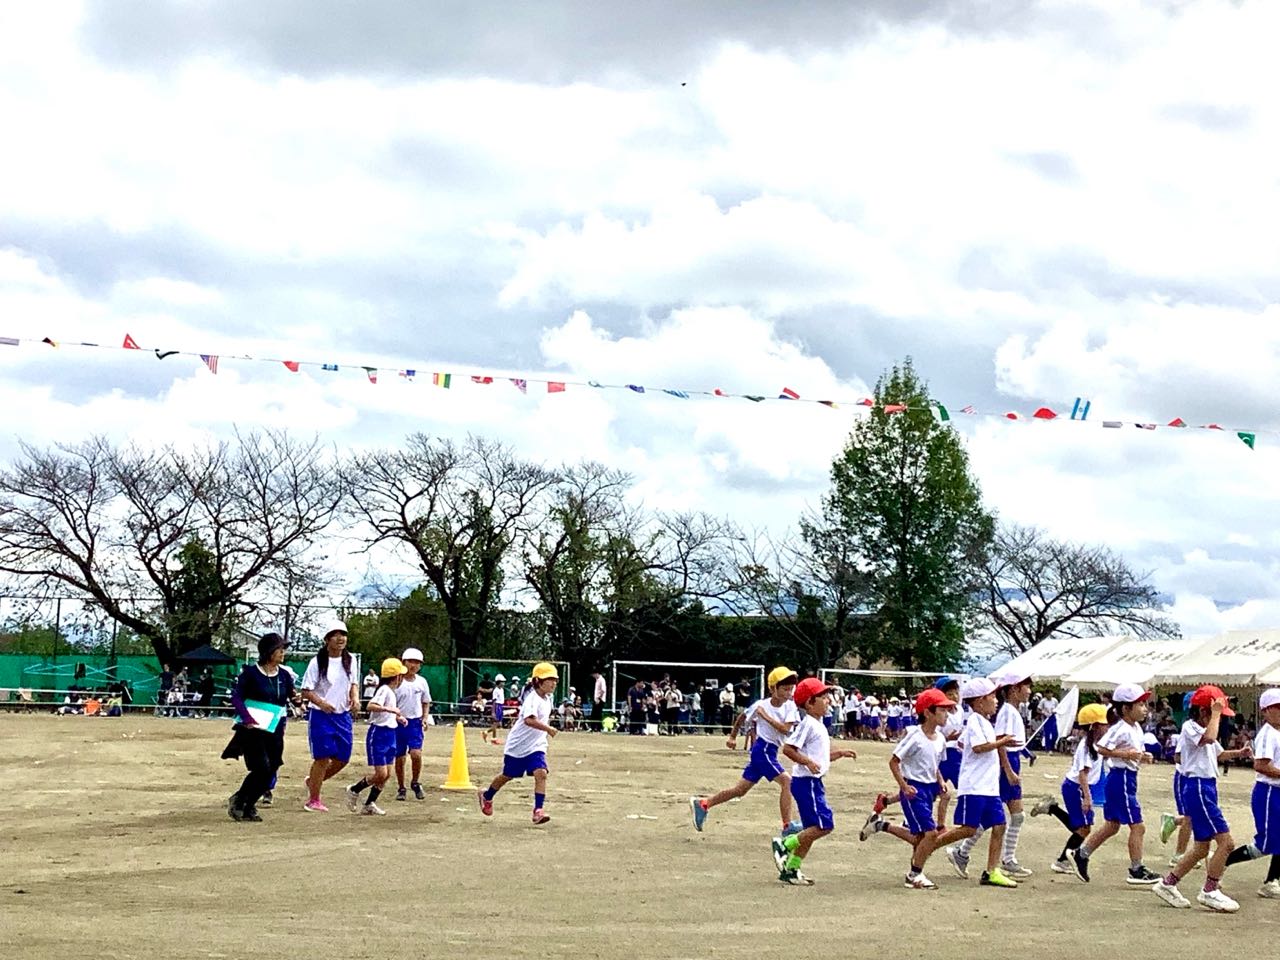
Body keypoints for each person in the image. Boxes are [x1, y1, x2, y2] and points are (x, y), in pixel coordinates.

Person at [1154, 685, 1253, 911]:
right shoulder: (1191, 727)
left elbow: (1218, 752)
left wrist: (1239, 753)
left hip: (1206, 786)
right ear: (1202, 711)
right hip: (1198, 786)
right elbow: (1209, 738)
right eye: (1215, 713)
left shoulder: (1204, 728)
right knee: (1226, 843)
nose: (1221, 719)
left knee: (1201, 846)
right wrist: (1216, 713)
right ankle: (1210, 889)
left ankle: (1168, 883)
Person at [859, 687, 955, 890]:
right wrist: (904, 786)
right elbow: (894, 761)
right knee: (931, 834)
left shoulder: (940, 739)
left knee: (919, 838)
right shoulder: (915, 736)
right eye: (942, 710)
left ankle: (881, 825)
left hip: (929, 789)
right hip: (914, 790)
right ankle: (914, 874)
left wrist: (940, 781)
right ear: (928, 712)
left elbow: (935, 764)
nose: (946, 714)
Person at [690, 668, 801, 835]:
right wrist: (732, 736)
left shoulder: (790, 706)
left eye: (791, 689)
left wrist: (765, 717)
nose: (789, 693)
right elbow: (742, 717)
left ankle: (704, 804)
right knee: (787, 782)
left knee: (740, 790)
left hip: (769, 751)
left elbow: (786, 729)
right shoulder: (761, 705)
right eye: (785, 689)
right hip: (762, 750)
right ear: (773, 688)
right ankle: (787, 826)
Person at [767, 678, 855, 885]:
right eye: (823, 697)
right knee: (825, 825)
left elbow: (819, 757)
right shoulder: (808, 724)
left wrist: (838, 754)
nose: (828, 701)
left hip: (813, 782)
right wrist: (807, 762)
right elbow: (788, 749)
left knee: (811, 830)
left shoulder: (818, 725)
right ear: (809, 703)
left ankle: (792, 868)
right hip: (807, 783)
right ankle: (785, 844)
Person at [1071, 683, 1161, 884]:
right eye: (1140, 705)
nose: (1145, 709)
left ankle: (1082, 854)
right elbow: (1101, 748)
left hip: (1126, 778)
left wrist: (1142, 756)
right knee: (1138, 826)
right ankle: (1136, 869)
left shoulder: (1135, 728)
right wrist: (1126, 754)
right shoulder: (1120, 728)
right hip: (1121, 779)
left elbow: (1132, 751)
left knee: (1112, 825)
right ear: (1125, 708)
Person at [949, 670, 1033, 879]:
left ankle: (965, 852)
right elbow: (1000, 742)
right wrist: (1008, 770)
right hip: (1005, 763)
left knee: (998, 818)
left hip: (1008, 761)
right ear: (1014, 689)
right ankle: (1003, 859)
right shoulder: (1006, 712)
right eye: (1026, 686)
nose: (1029, 691)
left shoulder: (1010, 711)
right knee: (1009, 817)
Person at [939, 677, 1019, 888]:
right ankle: (928, 847)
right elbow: (978, 747)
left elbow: (964, 743)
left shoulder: (983, 722)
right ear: (980, 701)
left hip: (988, 787)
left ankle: (991, 871)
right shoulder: (975, 720)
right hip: (975, 787)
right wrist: (1002, 742)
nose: (996, 700)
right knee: (968, 829)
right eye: (992, 696)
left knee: (1000, 825)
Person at [222, 632, 294, 822]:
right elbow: (236, 697)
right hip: (252, 729)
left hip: (274, 728)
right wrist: (246, 717)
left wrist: (298, 701)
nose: (283, 653)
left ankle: (249, 804)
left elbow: (290, 695)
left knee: (272, 768)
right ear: (269, 652)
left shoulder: (284, 675)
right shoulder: (251, 674)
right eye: (279, 649)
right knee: (261, 767)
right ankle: (240, 801)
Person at [1217, 687, 1280, 899]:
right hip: (1269, 792)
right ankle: (1221, 862)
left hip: (1276, 791)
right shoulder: (1268, 734)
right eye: (1277, 708)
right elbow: (1261, 766)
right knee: (1265, 844)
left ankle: (1272, 880)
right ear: (1265, 711)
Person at [477, 662, 560, 824]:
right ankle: (487, 795)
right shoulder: (532, 699)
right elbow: (529, 720)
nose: (553, 683)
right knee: (508, 775)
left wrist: (545, 731)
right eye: (549, 679)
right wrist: (548, 729)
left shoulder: (548, 699)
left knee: (541, 773)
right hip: (518, 746)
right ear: (538, 681)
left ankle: (538, 810)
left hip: (536, 745)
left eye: (555, 680)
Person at [1031, 703, 1108, 873]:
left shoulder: (1096, 744)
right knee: (1083, 828)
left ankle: (1052, 808)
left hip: (1076, 787)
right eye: (1104, 723)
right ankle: (1062, 861)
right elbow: (1083, 774)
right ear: (1094, 726)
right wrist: (1087, 797)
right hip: (1077, 788)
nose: (1107, 726)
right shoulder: (1087, 747)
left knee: (1081, 827)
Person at [299, 620, 359, 813]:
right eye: (335, 634)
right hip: (321, 715)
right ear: (327, 639)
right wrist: (322, 703)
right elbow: (306, 690)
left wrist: (355, 698)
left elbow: (353, 683)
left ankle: (313, 781)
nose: (340, 638)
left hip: (342, 715)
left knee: (343, 757)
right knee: (323, 757)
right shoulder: (317, 662)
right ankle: (314, 799)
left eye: (343, 634)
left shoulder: (350, 660)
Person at [345, 658, 409, 816]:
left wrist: (398, 718)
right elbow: (371, 706)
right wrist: (390, 710)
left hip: (390, 733)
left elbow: (387, 713)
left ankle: (369, 804)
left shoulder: (391, 692)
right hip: (379, 733)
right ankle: (354, 789)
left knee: (387, 775)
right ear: (396, 676)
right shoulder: (384, 690)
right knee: (381, 774)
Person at [393, 647, 433, 801]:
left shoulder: (422, 682)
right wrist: (395, 716)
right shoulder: (397, 681)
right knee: (399, 757)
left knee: (416, 754)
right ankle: (401, 787)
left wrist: (425, 717)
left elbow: (425, 702)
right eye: (410, 661)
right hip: (398, 723)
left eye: (417, 662)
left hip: (415, 723)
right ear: (404, 662)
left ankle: (415, 782)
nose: (413, 665)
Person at [484, 674, 507, 745]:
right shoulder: (495, 691)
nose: (504, 683)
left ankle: (486, 732)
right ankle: (493, 738)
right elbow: (494, 701)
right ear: (499, 682)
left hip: (501, 706)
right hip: (497, 706)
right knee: (495, 723)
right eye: (502, 682)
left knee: (498, 723)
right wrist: (493, 712)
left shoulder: (501, 690)